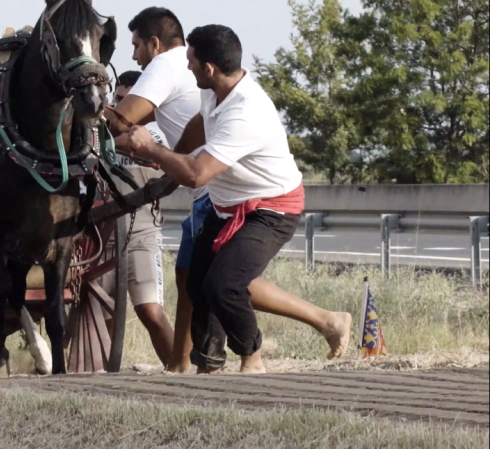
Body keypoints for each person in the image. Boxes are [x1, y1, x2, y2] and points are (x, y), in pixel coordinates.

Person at [127, 25, 351, 374]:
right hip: (225, 205)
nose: (187, 68)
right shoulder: (213, 91)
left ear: (209, 68)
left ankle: (253, 359)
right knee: (197, 282)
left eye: (191, 62)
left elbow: (197, 174)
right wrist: (167, 157)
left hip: (271, 209)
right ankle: (210, 366)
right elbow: (198, 127)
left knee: (225, 285)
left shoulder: (246, 112)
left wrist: (150, 147)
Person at [105, 7, 205, 373]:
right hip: (205, 191)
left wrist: (82, 111)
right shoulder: (188, 72)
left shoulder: (164, 65)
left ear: (154, 43)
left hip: (211, 193)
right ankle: (183, 366)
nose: (134, 56)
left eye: (136, 46)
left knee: (224, 280)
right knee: (189, 275)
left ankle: (325, 321)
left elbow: (120, 120)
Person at [108, 71, 179, 370]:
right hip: (100, 237)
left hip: (142, 232)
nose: (119, 109)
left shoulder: (158, 136)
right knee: (96, 315)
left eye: (127, 102)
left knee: (150, 311)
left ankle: (180, 371)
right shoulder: (101, 134)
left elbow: (128, 143)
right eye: (116, 101)